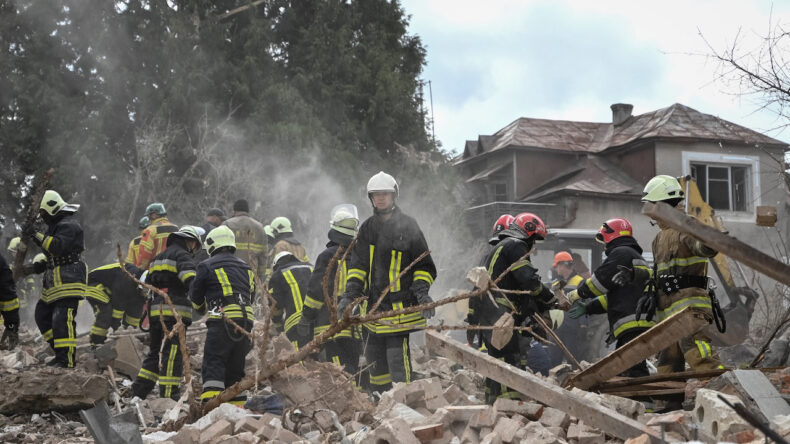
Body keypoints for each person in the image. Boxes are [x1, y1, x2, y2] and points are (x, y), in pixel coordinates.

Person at [338, 171, 437, 392]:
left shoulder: (409, 226)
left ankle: (406, 408)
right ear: (370, 198)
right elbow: (358, 267)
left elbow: (424, 265)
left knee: (397, 364)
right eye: (376, 195)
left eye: (385, 194)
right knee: (375, 365)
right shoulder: (367, 229)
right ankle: (382, 407)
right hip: (373, 310)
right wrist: (349, 297)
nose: (380, 198)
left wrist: (422, 292)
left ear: (394, 196)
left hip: (399, 311)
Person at [634, 175, 723, 372]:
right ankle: (667, 403)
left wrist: (711, 242)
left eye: (650, 206)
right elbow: (659, 273)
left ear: (660, 203)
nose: (649, 213)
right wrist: (650, 292)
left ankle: (723, 396)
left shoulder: (686, 225)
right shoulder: (659, 238)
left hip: (690, 307)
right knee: (667, 364)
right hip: (667, 311)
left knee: (700, 357)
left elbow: (702, 247)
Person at [476, 212, 555, 402]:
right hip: (501, 311)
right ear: (528, 232)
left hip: (491, 311)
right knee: (507, 357)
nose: (533, 245)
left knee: (496, 358)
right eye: (534, 239)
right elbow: (527, 280)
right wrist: (548, 298)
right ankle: (507, 406)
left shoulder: (502, 246)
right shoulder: (516, 245)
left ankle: (492, 401)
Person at [566, 218, 655, 376]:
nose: (604, 244)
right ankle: (634, 396)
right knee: (627, 366)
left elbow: (600, 281)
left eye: (604, 238)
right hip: (636, 320)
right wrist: (589, 307)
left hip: (631, 321)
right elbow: (616, 298)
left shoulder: (621, 253)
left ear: (611, 235)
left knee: (633, 369)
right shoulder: (632, 255)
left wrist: (577, 294)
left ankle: (641, 397)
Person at [131, 226, 201, 400]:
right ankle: (169, 395)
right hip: (174, 312)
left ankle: (139, 391)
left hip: (156, 310)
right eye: (194, 244)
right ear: (190, 241)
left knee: (156, 352)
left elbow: (148, 285)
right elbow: (190, 281)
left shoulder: (157, 258)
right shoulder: (182, 255)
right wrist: (200, 300)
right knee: (172, 353)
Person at [189, 226, 255, 405]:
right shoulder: (246, 267)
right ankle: (237, 409)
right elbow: (252, 295)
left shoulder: (206, 265)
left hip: (222, 319)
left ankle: (211, 407)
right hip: (246, 321)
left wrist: (201, 308)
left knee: (214, 361)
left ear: (211, 244)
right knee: (236, 368)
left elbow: (195, 295)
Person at [23, 190, 87, 368]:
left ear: (52, 208)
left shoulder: (69, 224)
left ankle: (66, 360)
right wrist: (38, 266)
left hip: (69, 278)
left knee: (62, 319)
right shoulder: (57, 226)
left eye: (43, 213)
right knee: (42, 315)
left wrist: (35, 234)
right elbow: (54, 255)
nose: (42, 217)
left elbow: (57, 247)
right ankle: (60, 352)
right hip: (55, 282)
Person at [297, 204, 361, 376]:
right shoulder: (359, 256)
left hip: (329, 324)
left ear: (334, 229)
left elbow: (316, 291)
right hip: (356, 327)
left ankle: (345, 402)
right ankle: (358, 401)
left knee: (337, 373)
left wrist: (306, 317)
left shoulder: (327, 256)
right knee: (351, 369)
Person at [467, 214, 513, 348]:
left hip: (494, 322)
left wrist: (472, 322)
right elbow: (477, 291)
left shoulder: (487, 258)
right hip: (500, 322)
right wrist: (472, 322)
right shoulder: (514, 261)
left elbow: (475, 294)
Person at [85, 263, 145, 346]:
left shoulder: (139, 290)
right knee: (105, 313)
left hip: (110, 290)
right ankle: (96, 342)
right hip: (93, 284)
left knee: (129, 313)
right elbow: (118, 306)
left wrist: (131, 333)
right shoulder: (127, 279)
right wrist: (115, 329)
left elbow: (134, 313)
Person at [546, 252, 586, 365]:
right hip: (556, 326)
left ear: (564, 265)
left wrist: (583, 323)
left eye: (557, 266)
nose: (556, 268)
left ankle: (574, 381)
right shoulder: (555, 283)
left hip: (571, 325)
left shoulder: (580, 281)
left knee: (572, 357)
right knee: (554, 358)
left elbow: (582, 302)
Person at [268, 251, 313, 349]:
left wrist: (278, 325)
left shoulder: (278, 274)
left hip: (296, 323)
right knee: (317, 358)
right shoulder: (311, 267)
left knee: (298, 359)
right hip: (318, 321)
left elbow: (275, 305)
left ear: (277, 265)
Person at [223, 199, 267, 280]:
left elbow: (219, 251)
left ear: (234, 211)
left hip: (231, 274)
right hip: (251, 276)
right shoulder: (260, 227)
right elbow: (263, 256)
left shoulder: (227, 224)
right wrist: (260, 277)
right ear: (248, 210)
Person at [136, 203, 178, 269]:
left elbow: (145, 254)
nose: (149, 220)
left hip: (156, 270)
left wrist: (139, 270)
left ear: (154, 215)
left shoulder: (151, 230)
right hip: (174, 269)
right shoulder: (176, 228)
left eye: (149, 216)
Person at [0, 248, 20, 350]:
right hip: (6, 292)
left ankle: (12, 334)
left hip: (6, 293)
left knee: (11, 316)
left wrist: (11, 327)